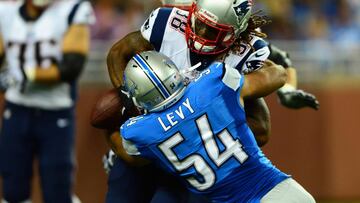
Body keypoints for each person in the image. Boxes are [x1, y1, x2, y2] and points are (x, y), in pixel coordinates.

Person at [101, 0, 318, 202]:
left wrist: (198, 127)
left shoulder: (242, 56)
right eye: (199, 24)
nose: (201, 34)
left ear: (237, 33)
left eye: (213, 31)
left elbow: (262, 126)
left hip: (193, 164)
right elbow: (118, 51)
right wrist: (126, 99)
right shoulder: (170, 23)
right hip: (151, 139)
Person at [0, 0, 95, 202]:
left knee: (57, 191)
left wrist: (26, 73)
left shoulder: (73, 9)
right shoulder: (6, 11)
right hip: (17, 109)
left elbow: (71, 67)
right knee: (13, 190)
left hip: (55, 112)